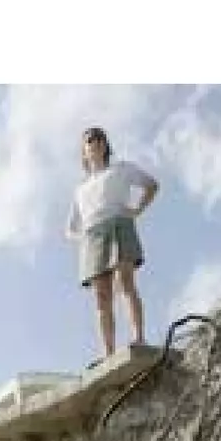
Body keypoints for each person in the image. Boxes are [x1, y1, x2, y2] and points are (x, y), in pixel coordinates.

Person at [65, 127, 160, 355]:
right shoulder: (80, 189)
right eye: (89, 140)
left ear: (106, 145)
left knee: (126, 282)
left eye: (99, 139)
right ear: (84, 151)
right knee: (101, 297)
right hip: (93, 235)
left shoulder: (122, 169)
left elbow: (151, 185)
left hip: (119, 224)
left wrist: (137, 210)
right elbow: (70, 229)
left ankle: (139, 338)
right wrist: (84, 238)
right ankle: (107, 352)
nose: (95, 143)